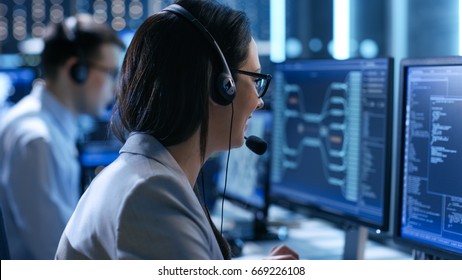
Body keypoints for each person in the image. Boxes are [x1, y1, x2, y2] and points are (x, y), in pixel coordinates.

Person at [55, 0, 298, 260]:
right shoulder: (150, 197)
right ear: (222, 85)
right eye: (255, 79)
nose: (259, 101)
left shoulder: (143, 178)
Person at [0, 14, 125, 259]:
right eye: (110, 73)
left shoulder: (46, 127)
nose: (115, 88)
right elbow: (57, 256)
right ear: (76, 71)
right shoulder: (37, 141)